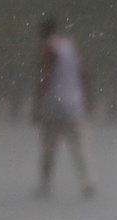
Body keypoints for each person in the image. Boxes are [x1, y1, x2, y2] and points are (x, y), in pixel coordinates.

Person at [32, 16, 96, 198]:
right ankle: (88, 182)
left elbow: (45, 77)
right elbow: (85, 72)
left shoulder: (47, 47)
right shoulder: (71, 46)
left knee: (49, 148)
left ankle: (45, 184)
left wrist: (36, 105)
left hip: (54, 104)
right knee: (80, 147)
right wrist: (88, 98)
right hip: (74, 104)